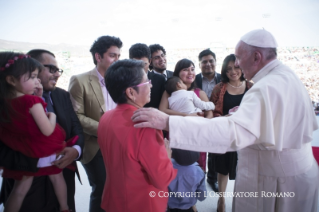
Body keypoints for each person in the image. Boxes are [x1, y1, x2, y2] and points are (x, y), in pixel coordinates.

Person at [132, 29, 319, 212]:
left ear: (256, 57)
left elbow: (232, 133)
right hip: (293, 174)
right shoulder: (285, 75)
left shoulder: (265, 87)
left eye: (238, 57)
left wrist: (168, 122)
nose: (236, 63)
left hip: (276, 183)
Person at [0, 49, 84, 212]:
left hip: (62, 179)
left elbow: (76, 128)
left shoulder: (62, 95)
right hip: (27, 184)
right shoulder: (5, 103)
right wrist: (29, 158)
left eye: (58, 70)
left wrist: (76, 150)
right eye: (51, 69)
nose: (57, 74)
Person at [98, 59, 177, 212]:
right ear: (131, 92)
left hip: (114, 200)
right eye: (147, 82)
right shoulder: (145, 124)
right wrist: (167, 156)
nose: (151, 85)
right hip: (143, 204)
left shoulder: (106, 118)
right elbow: (162, 179)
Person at [68, 35, 122, 212]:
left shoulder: (120, 82)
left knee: (117, 188)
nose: (116, 60)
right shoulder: (80, 80)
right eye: (112, 55)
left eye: (118, 56)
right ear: (98, 57)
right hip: (94, 145)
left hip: (120, 144)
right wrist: (107, 130)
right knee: (101, 188)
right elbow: (76, 116)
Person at [210, 54, 253, 212]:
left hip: (246, 136)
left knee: (245, 168)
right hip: (225, 134)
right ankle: (221, 200)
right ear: (224, 72)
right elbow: (211, 111)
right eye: (228, 69)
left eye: (235, 67)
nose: (233, 71)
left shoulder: (251, 87)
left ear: (241, 67)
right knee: (223, 169)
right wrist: (224, 118)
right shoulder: (219, 88)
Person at [159, 59, 212, 172]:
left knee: (197, 170)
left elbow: (209, 113)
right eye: (185, 70)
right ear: (178, 73)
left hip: (198, 135)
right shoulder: (168, 93)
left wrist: (203, 126)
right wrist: (187, 115)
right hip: (176, 134)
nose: (190, 72)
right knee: (174, 169)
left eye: (192, 69)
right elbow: (162, 110)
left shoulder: (199, 93)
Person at [195, 49, 220, 192]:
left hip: (217, 120)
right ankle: (199, 179)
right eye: (204, 61)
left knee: (215, 152)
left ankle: (212, 178)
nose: (208, 64)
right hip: (199, 121)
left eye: (211, 61)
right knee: (200, 153)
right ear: (200, 64)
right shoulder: (194, 79)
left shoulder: (223, 79)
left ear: (216, 62)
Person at [129, 43, 166, 108]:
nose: (140, 68)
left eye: (144, 64)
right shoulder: (125, 80)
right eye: (137, 64)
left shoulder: (160, 80)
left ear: (150, 61)